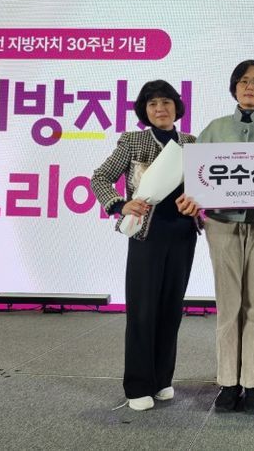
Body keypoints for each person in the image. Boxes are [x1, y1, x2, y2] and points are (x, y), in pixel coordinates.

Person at [177, 60, 254, 414]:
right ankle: (228, 382)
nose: (250, 87)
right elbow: (195, 177)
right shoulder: (214, 129)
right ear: (234, 87)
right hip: (222, 224)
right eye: (243, 81)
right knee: (228, 305)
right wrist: (192, 200)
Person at [91, 80, 198, 411]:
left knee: (171, 310)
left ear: (177, 107)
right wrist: (120, 205)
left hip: (183, 235)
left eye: (166, 102)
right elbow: (99, 177)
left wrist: (199, 203)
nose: (160, 109)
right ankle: (138, 385)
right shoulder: (132, 141)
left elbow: (204, 186)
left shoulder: (192, 143)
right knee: (142, 310)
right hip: (146, 236)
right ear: (144, 110)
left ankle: (162, 379)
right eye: (152, 104)